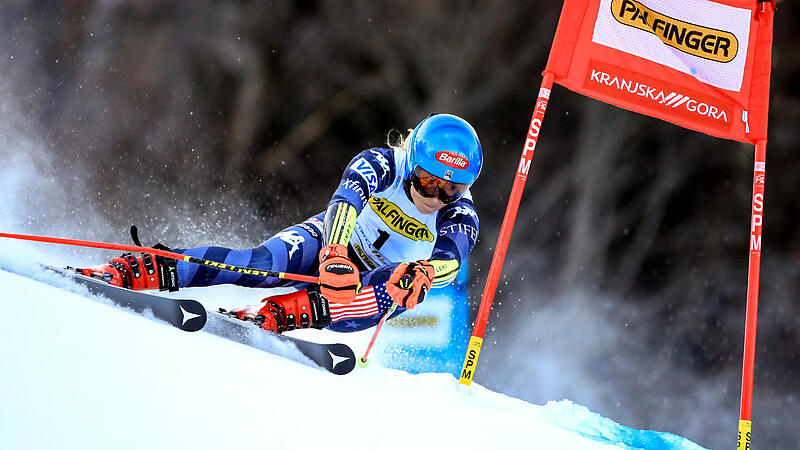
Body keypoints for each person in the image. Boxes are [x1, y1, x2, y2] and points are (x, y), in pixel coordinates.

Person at [78, 113, 482, 334]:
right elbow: (345, 200)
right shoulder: (381, 164)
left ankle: (282, 313)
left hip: (374, 284)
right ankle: (141, 268)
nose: (437, 195)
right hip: (332, 243)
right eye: (430, 180)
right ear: (412, 161)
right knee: (259, 266)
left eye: (452, 187)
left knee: (397, 282)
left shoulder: (461, 212)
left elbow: (451, 258)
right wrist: (335, 253)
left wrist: (425, 272)